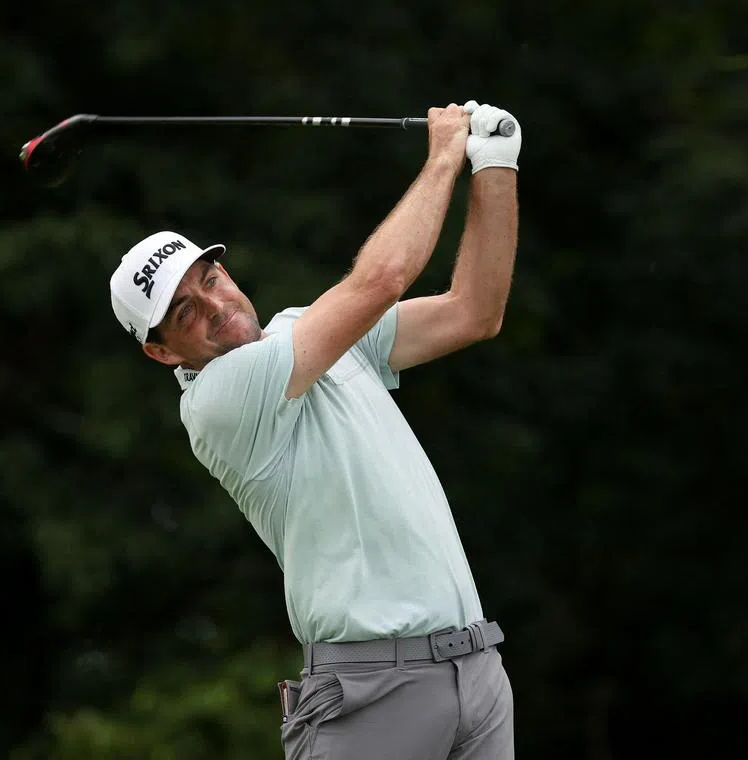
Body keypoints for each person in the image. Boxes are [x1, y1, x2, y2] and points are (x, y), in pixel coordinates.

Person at [108, 100, 521, 759]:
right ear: (161, 353)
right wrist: (446, 154)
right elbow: (381, 279)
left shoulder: (306, 330)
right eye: (185, 312)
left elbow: (475, 312)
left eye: (211, 280)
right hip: (372, 693)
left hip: (475, 666)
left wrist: (494, 165)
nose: (215, 306)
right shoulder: (219, 398)